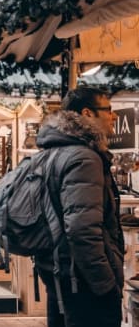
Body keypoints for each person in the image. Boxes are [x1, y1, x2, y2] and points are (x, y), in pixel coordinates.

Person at [34, 87, 123, 327]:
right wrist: (105, 283)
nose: (114, 117)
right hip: (83, 280)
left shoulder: (52, 152)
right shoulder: (84, 158)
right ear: (88, 113)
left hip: (60, 272)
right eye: (108, 110)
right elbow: (82, 228)